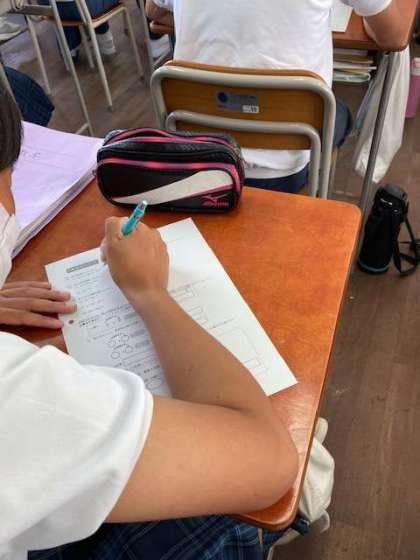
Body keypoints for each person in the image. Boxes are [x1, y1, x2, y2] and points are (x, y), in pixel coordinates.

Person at [0, 85, 298, 560]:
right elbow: (269, 459)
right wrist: (149, 292)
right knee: (221, 511)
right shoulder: (16, 398)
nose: (13, 202)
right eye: (10, 179)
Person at [146, 0, 406, 193]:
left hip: (196, 158)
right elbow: (392, 36)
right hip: (282, 170)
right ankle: (321, 204)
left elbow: (153, 11)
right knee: (337, 113)